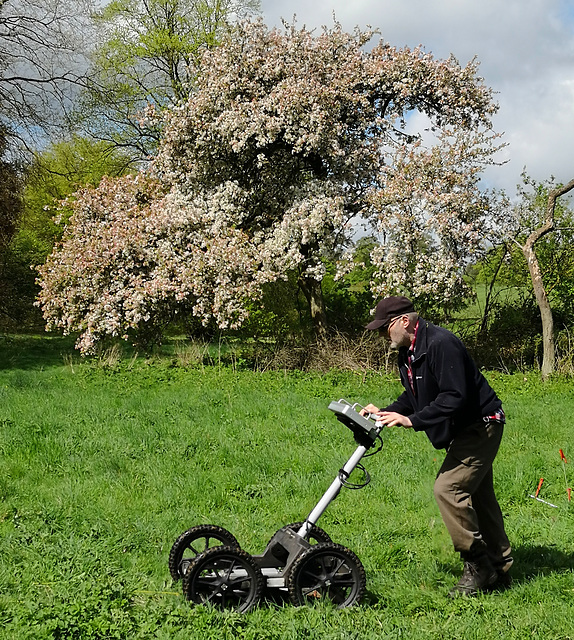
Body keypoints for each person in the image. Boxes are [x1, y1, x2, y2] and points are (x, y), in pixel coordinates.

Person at [362, 295, 512, 597]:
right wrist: (387, 412)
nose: (381, 335)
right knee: (480, 499)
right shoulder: (408, 352)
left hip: (482, 425)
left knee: (448, 490)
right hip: (466, 429)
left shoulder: (441, 344)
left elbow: (454, 396)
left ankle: (478, 564)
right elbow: (415, 396)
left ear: (404, 321)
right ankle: (500, 568)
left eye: (384, 328)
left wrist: (413, 421)